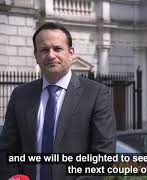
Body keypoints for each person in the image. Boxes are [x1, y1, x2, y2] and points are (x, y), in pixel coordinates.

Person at [0, 22, 116, 180]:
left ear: (71, 53)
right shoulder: (20, 95)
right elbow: (7, 150)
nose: (51, 55)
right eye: (44, 49)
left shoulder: (96, 94)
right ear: (36, 55)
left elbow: (103, 154)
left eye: (57, 48)